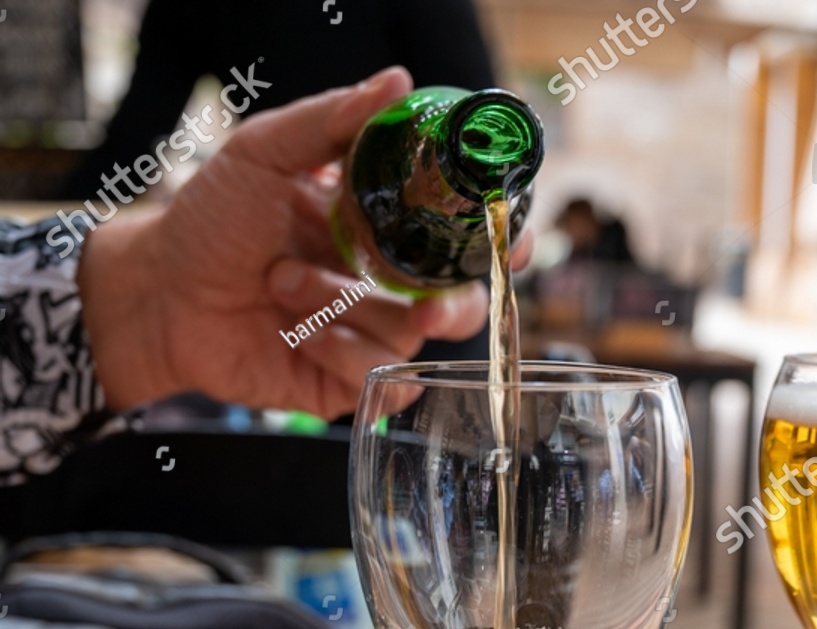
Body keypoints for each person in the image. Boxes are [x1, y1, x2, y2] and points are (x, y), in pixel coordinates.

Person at [0, 69, 489, 488]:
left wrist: (148, 300)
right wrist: (150, 298)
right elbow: (137, 128)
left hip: (376, 326)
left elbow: (138, 123)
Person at [68, 0, 494, 198]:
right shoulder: (192, 8)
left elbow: (479, 121)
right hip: (284, 242)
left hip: (418, 240)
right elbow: (131, 148)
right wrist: (41, 239)